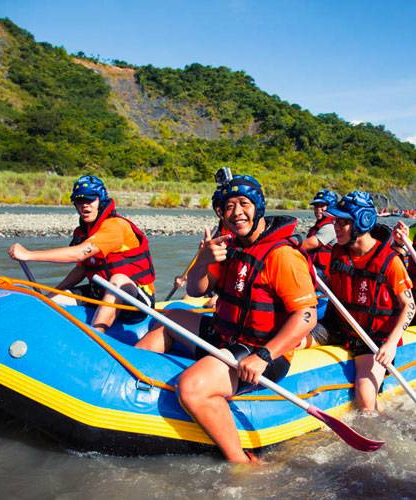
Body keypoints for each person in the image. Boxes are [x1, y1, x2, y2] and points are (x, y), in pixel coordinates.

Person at [136, 172, 318, 463]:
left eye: (243, 203)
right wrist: (204, 261)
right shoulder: (229, 246)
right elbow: (197, 290)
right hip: (226, 333)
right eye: (229, 206)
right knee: (170, 320)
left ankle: (241, 462)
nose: (236, 213)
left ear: (258, 206)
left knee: (192, 387)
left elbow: (307, 316)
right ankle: (131, 378)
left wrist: (264, 356)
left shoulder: (282, 256)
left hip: (261, 349)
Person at [305, 192, 414, 412]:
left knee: (365, 401)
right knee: (297, 341)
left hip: (372, 337)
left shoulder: (389, 261)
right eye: (336, 221)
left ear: (362, 222)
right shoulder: (338, 252)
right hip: (339, 326)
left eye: (343, 223)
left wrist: (391, 344)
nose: (336, 227)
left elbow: (410, 306)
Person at [8, 175, 156, 332]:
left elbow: (79, 253)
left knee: (118, 279)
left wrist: (29, 255)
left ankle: (96, 338)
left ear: (101, 200)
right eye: (79, 201)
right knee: (56, 299)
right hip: (101, 293)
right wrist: (50, 296)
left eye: (90, 199)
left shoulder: (115, 226)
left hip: (137, 301)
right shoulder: (84, 232)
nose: (85, 205)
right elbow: (82, 269)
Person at [301, 189, 338, 277]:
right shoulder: (320, 225)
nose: (318, 209)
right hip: (315, 267)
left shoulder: (329, 227)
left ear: (331, 206)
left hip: (324, 274)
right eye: (316, 206)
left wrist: (284, 246)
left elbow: (307, 245)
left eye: (322, 206)